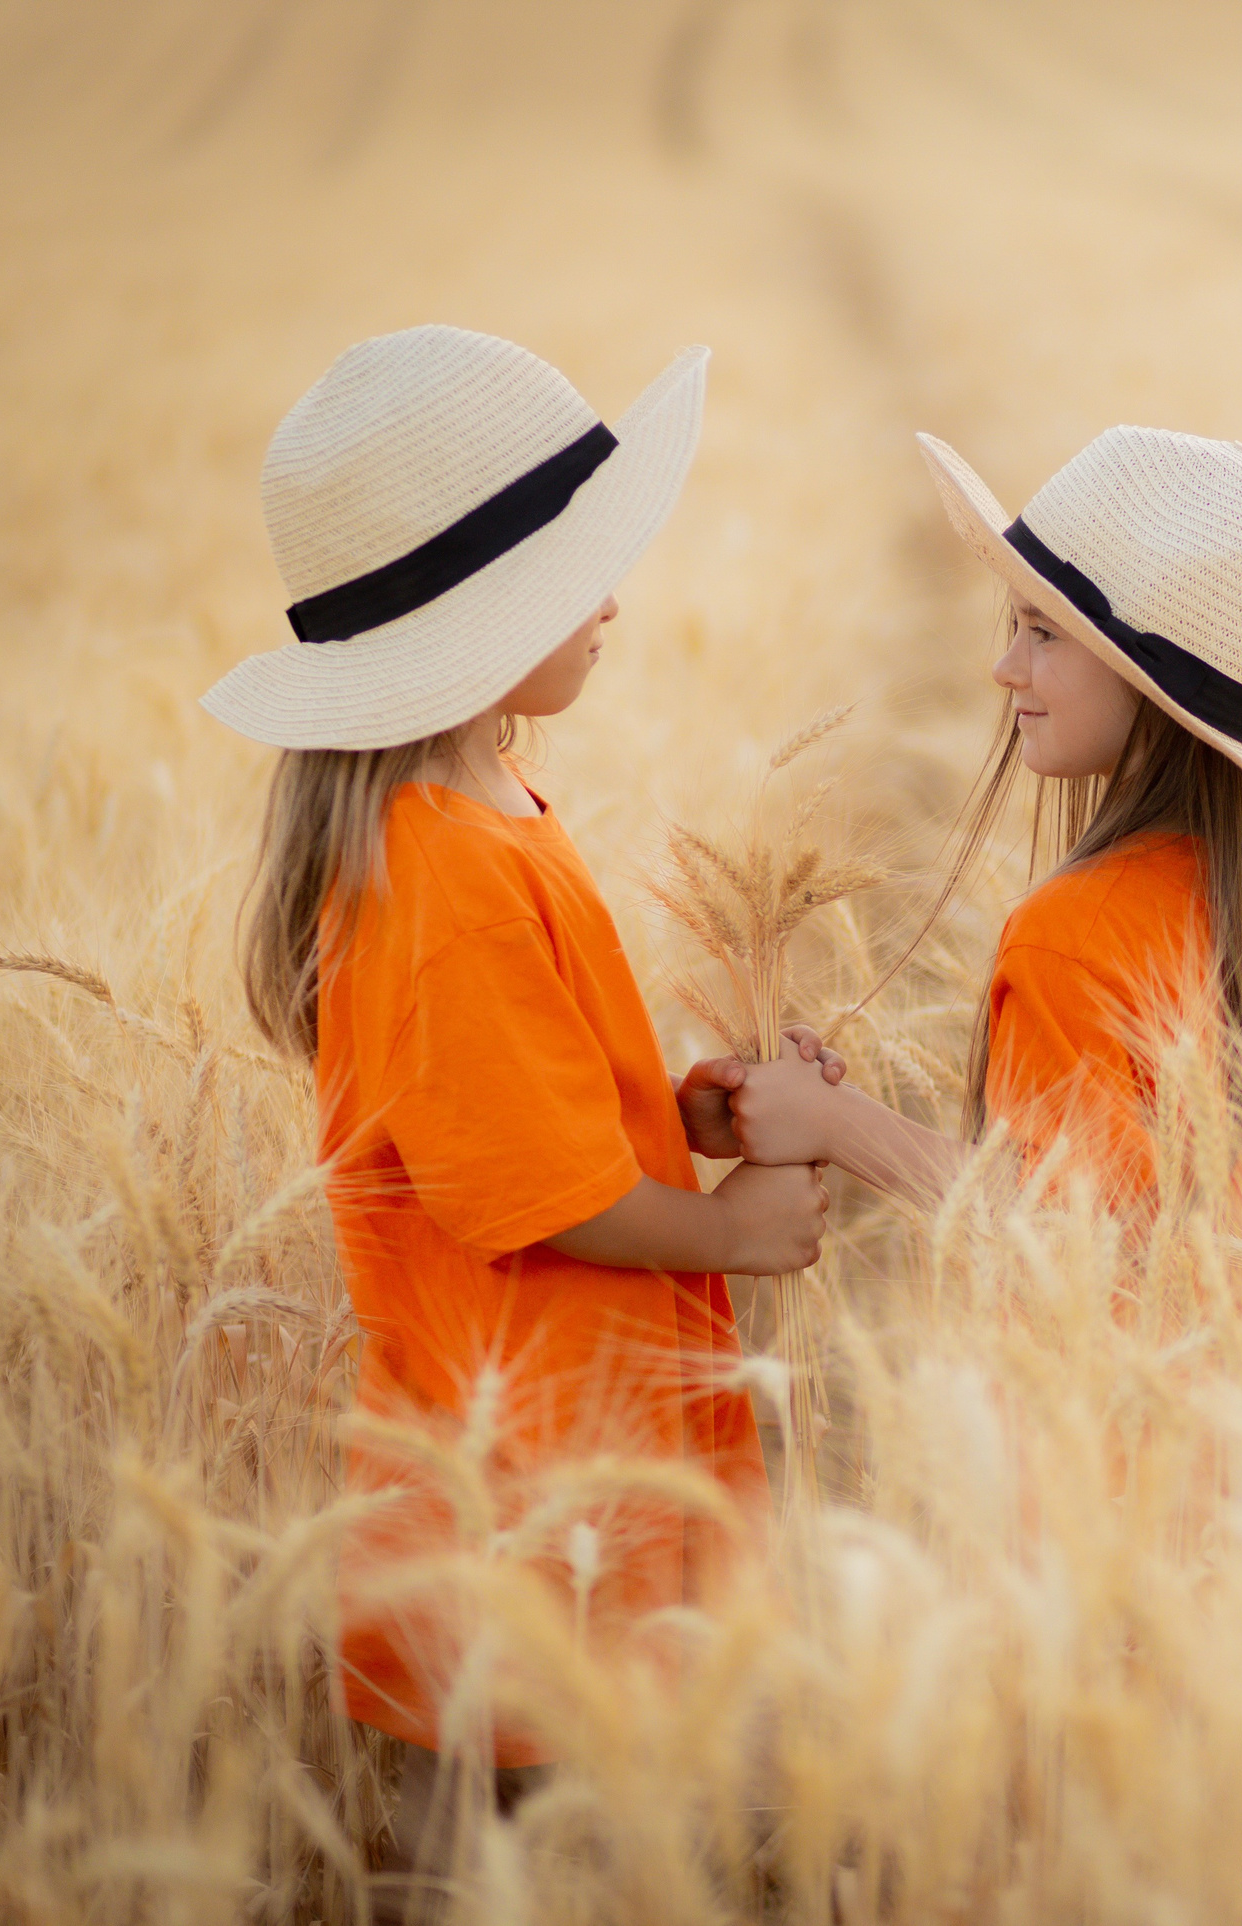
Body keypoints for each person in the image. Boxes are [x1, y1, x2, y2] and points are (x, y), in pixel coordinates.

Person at [201, 325, 837, 1917]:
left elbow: (516, 1109)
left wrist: (674, 1115)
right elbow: (530, 1194)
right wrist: (725, 1227)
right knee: (535, 1859)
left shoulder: (485, 814)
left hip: (567, 1463)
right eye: (577, 566)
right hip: (532, 1501)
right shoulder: (449, 870)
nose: (614, 597)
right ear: (476, 619)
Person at [727, 425, 1242, 1236]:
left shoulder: (1071, 931)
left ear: (1144, 679)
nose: (1005, 668)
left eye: (1045, 632)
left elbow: (1059, 1221)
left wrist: (835, 1124)